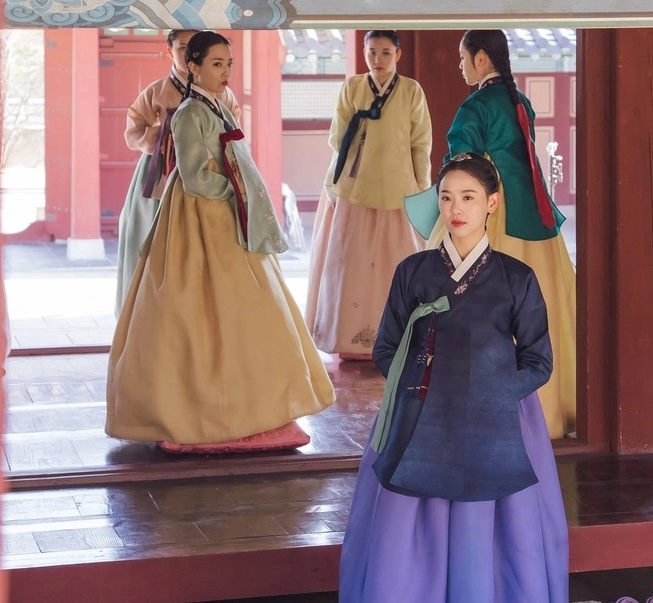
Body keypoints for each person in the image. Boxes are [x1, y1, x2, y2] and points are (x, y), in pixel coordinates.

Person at [339, 153, 568, 603]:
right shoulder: (413, 272)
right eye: (446, 198)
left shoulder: (517, 278)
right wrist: (420, 391)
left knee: (487, 522)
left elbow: (538, 361)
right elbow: (386, 348)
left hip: (495, 417)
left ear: (492, 203)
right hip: (420, 411)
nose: (455, 209)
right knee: (406, 514)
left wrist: (493, 395)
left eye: (468, 197)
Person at [106, 31, 335, 454]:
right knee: (197, 312)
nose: (226, 71)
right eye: (216, 64)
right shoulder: (189, 113)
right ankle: (201, 411)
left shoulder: (217, 105)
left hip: (227, 216)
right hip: (201, 217)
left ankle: (254, 407)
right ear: (193, 66)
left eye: (229, 64)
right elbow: (196, 177)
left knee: (251, 309)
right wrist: (236, 190)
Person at [429, 29, 578, 439]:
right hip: (532, 209)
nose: (460, 67)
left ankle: (482, 411)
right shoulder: (519, 100)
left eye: (463, 59)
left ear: (481, 59)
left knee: (481, 303)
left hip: (493, 208)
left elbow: (460, 166)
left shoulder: (476, 105)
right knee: (542, 305)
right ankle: (548, 409)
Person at [305, 30, 432, 361]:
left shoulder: (411, 90)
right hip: (356, 187)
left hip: (398, 189)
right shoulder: (352, 87)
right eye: (372, 52)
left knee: (396, 265)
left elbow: (420, 144)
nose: (378, 59)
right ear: (364, 54)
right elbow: (338, 139)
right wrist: (335, 183)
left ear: (398, 55)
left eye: (386, 52)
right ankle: (351, 339)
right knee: (352, 267)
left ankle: (397, 338)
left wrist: (421, 187)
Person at [114, 29, 242, 317]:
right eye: (182, 47)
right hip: (161, 171)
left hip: (208, 172)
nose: (188, 54)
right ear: (169, 51)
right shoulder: (156, 91)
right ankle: (148, 311)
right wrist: (162, 136)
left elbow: (232, 133)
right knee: (152, 240)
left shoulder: (223, 93)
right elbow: (133, 130)